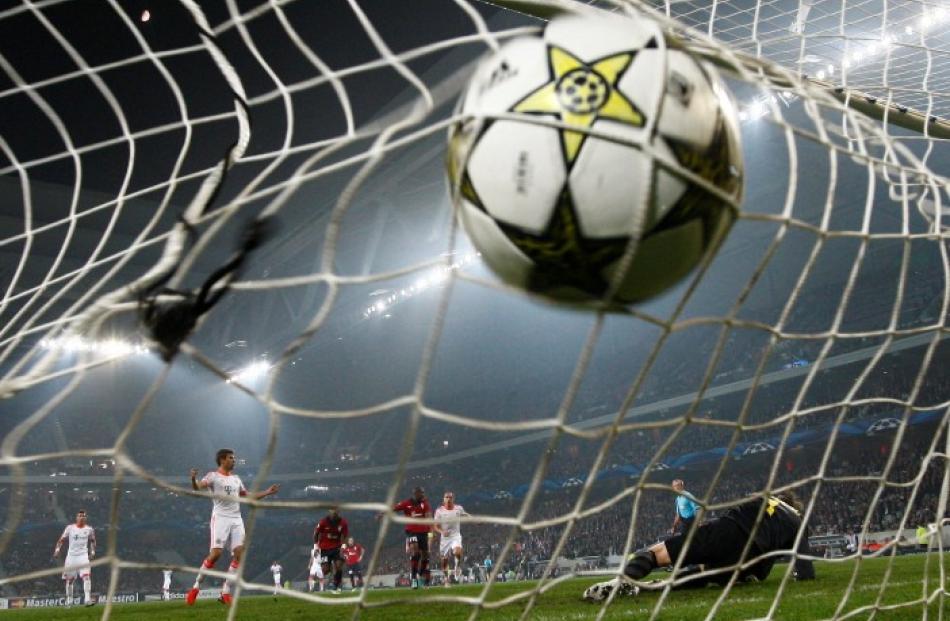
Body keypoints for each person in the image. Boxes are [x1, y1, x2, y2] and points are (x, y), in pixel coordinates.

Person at [583, 492, 815, 602]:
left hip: (728, 531)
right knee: (708, 573)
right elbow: (805, 569)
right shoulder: (797, 521)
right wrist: (800, 574)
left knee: (658, 552)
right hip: (749, 560)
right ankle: (655, 587)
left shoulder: (763, 497)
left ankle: (619, 583)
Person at [185, 448, 280, 606]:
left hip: (236, 519)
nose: (234, 460)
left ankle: (225, 592)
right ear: (222, 460)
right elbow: (198, 488)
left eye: (234, 458)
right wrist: (193, 479)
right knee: (215, 555)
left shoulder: (236, 478)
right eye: (231, 458)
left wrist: (267, 492)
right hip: (220, 518)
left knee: (239, 555)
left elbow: (247, 495)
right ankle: (195, 588)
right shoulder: (213, 476)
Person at [388, 486, 433, 588]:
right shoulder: (406, 503)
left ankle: (419, 574)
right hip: (412, 532)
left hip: (423, 532)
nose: (423, 494)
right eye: (421, 493)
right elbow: (394, 508)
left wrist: (430, 525)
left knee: (426, 556)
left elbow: (429, 517)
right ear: (416, 494)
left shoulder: (425, 504)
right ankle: (413, 579)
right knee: (415, 552)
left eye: (424, 493)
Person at [53, 510, 96, 607]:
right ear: (76, 518)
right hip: (71, 557)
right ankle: (69, 601)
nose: (81, 517)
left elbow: (93, 541)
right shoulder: (70, 528)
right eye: (80, 516)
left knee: (86, 577)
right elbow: (61, 540)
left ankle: (87, 600)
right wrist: (57, 550)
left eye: (83, 516)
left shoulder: (89, 529)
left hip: (83, 556)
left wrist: (92, 552)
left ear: (85, 518)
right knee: (70, 580)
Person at [433, 491, 469, 587]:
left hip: (455, 536)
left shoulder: (458, 508)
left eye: (450, 497)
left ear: (453, 499)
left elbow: (465, 514)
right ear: (443, 499)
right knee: (444, 560)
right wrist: (441, 532)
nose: (448, 499)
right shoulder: (439, 511)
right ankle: (446, 580)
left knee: (457, 551)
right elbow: (435, 526)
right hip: (445, 538)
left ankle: (457, 567)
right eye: (446, 497)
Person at [314, 507, 349, 592]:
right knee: (326, 570)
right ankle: (318, 578)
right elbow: (316, 533)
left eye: (336, 510)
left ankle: (336, 585)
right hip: (325, 548)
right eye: (332, 510)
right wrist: (316, 547)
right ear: (329, 511)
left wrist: (343, 547)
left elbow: (345, 536)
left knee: (339, 566)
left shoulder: (343, 522)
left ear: (338, 511)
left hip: (337, 547)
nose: (334, 512)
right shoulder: (323, 522)